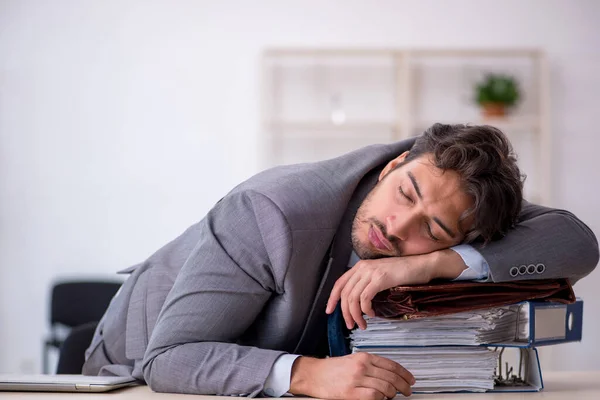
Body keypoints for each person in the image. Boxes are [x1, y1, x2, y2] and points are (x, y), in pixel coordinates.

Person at [83, 123, 598, 400]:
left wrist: (431, 264)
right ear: (394, 163)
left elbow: (576, 243)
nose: (398, 227)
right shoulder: (269, 212)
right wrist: (307, 374)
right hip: (134, 360)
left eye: (433, 232)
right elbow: (170, 358)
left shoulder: (458, 198)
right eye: (405, 192)